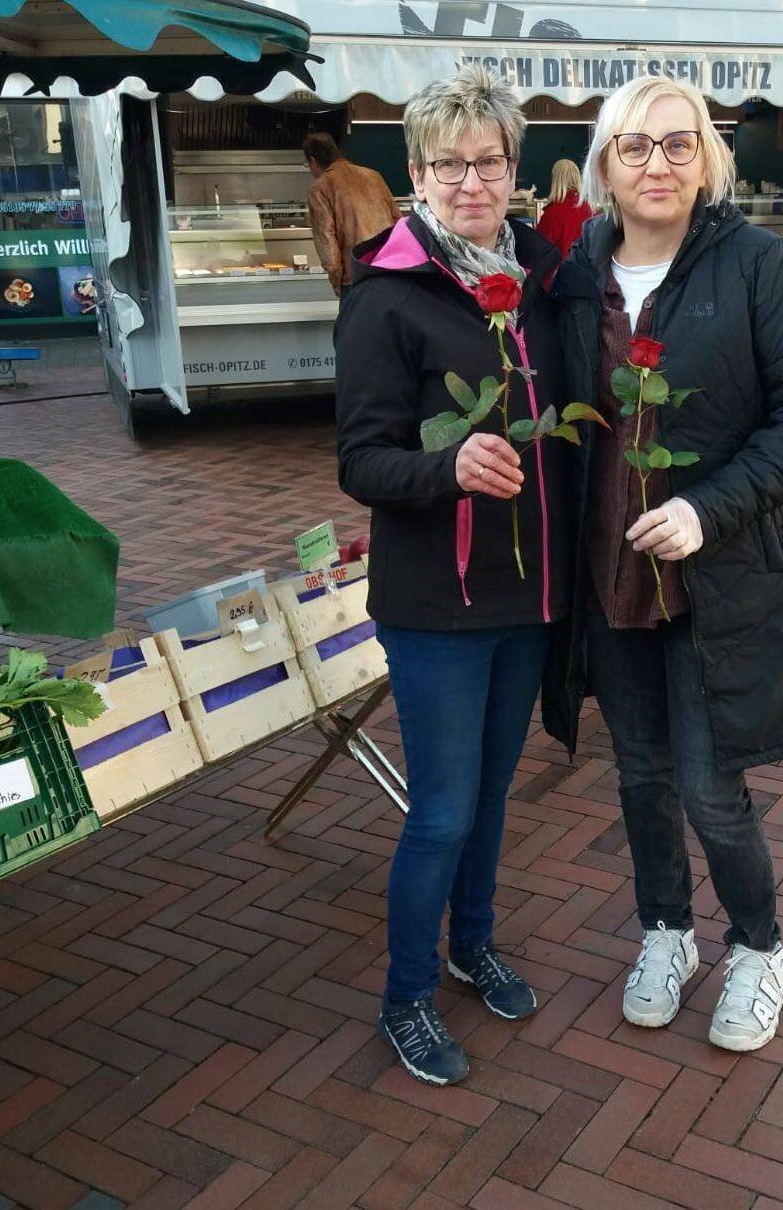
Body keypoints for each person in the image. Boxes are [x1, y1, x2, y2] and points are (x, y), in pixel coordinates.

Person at [545, 74, 783, 1054]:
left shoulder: (756, 265)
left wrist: (704, 509)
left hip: (720, 580)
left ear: (707, 158)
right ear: (604, 164)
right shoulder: (575, 276)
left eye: (679, 143)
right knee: (640, 773)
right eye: (635, 145)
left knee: (712, 788)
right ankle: (665, 931)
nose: (657, 163)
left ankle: (757, 947)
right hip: (611, 576)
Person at [336, 68, 570, 1086]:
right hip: (436, 602)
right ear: (416, 172)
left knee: (491, 794)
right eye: (447, 163)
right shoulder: (385, 296)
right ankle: (405, 997)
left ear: (514, 170)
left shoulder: (543, 279)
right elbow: (361, 460)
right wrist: (447, 469)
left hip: (527, 596)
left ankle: (472, 944)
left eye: (487, 161)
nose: (469, 181)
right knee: (439, 810)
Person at [303, 132, 401, 296]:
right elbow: (398, 222)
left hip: (356, 277)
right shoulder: (373, 176)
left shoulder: (319, 188)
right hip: (388, 269)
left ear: (313, 161)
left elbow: (327, 242)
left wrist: (337, 284)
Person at [536, 158, 594, 260]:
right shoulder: (590, 209)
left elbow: (539, 251)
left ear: (555, 180)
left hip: (560, 269)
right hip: (587, 268)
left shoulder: (552, 213)